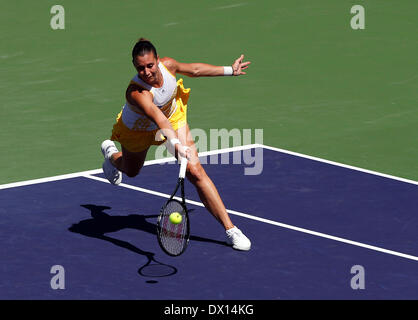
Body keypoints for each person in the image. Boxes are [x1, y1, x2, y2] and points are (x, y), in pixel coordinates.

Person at [100, 38, 251, 251]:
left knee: (195, 171)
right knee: (131, 170)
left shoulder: (169, 66)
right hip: (138, 131)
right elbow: (156, 117)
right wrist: (176, 144)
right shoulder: (137, 93)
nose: (147, 72)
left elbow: (195, 70)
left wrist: (229, 70)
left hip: (172, 117)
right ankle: (111, 155)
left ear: (158, 60)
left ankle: (231, 230)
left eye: (150, 65)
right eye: (140, 68)